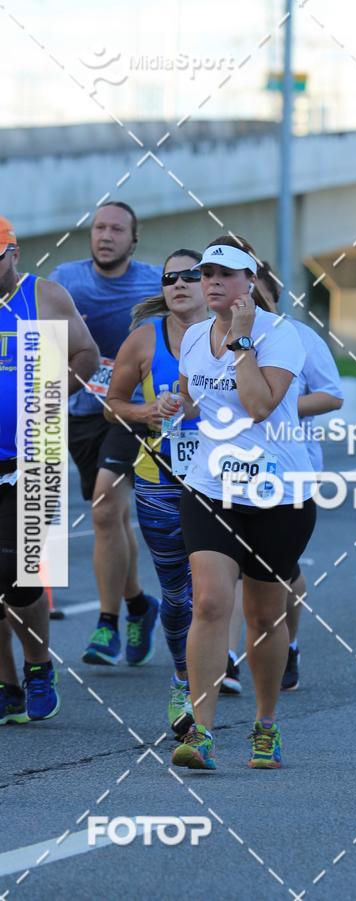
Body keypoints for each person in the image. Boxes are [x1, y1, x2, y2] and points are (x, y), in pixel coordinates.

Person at [164, 235, 317, 770]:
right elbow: (191, 399)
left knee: (263, 614)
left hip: (279, 494)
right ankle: (201, 731)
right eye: (205, 273)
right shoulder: (193, 336)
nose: (208, 282)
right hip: (211, 487)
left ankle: (265, 725)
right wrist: (172, 402)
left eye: (224, 275)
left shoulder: (281, 337)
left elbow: (255, 404)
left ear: (249, 283)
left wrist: (243, 341)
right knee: (208, 602)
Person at [49, 202, 162, 667]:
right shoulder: (66, 279)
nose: (106, 235)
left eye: (117, 229)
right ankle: (139, 603)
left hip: (130, 411)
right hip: (77, 411)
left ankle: (107, 624)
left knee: (104, 509)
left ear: (133, 240)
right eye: (99, 228)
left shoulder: (155, 282)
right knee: (111, 518)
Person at [223, 260, 343, 695]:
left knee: (279, 574)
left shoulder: (297, 336)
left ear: (267, 290)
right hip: (230, 468)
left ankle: (287, 644)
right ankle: (227, 660)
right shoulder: (212, 336)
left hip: (291, 465)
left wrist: (280, 405)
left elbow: (332, 395)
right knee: (232, 568)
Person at [0, 215, 99, 724]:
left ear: (13, 254)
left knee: (27, 575)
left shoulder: (44, 297)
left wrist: (53, 395)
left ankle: (39, 666)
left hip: (36, 450)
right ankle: (7, 684)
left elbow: (86, 352)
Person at [106, 249, 206, 734]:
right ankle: (183, 680)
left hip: (223, 483)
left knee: (212, 591)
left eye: (191, 275)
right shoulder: (145, 340)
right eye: (170, 278)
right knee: (178, 595)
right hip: (160, 482)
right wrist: (148, 413)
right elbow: (113, 405)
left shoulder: (238, 337)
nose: (179, 284)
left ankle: (207, 680)